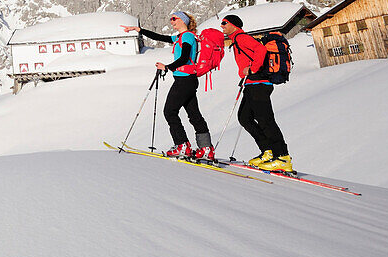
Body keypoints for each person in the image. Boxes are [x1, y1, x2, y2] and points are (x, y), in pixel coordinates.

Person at [122, 11, 213, 159]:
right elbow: (160, 37)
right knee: (194, 115)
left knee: (170, 111)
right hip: (187, 80)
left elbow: (184, 58)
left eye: (174, 19)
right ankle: (206, 148)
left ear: (183, 21)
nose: (172, 22)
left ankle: (182, 145)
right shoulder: (180, 37)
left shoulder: (188, 36)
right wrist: (139, 30)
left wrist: (167, 67)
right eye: (171, 19)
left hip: (184, 80)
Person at [221, 14, 292, 171]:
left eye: (225, 23)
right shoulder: (236, 39)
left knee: (265, 120)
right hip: (252, 83)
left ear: (234, 25)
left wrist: (253, 68)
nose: (222, 25)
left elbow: (260, 49)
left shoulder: (241, 37)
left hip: (259, 83)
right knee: (244, 118)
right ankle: (267, 151)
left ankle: (282, 157)